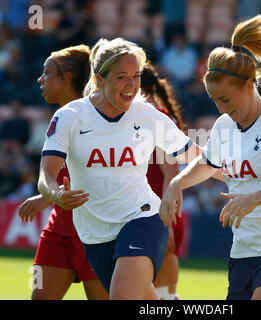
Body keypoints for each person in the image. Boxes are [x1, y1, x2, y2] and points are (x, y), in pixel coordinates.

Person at [159, 12, 261, 300]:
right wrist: (176, 184)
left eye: (225, 100)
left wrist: (255, 197)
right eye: (215, 101)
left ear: (249, 85)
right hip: (244, 250)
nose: (221, 109)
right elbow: (207, 164)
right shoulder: (224, 125)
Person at [37, 37, 213, 300]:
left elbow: (202, 159)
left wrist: (248, 181)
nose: (131, 85)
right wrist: (56, 195)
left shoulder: (150, 116)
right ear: (99, 78)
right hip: (95, 234)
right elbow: (46, 176)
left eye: (136, 76)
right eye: (122, 77)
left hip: (143, 219)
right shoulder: (69, 116)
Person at [18, 44, 109, 300]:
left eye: (46, 72)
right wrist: (49, 196)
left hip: (97, 233)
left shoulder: (101, 118)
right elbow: (59, 172)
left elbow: (109, 174)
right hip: (57, 231)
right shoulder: (61, 116)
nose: (40, 79)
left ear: (66, 77)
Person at [141, 63, 185, 300]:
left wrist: (165, 222)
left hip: (160, 215)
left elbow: (171, 173)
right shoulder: (136, 119)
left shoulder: (158, 119)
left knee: (164, 297)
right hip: (144, 215)